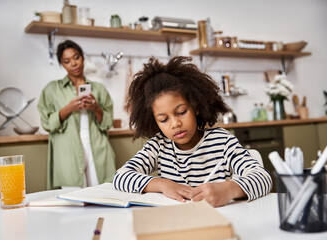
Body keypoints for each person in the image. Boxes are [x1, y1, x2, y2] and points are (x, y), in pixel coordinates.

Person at [113, 56, 272, 207]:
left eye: (181, 112)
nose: (175, 123)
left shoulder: (222, 142)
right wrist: (163, 184)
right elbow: (121, 176)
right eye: (163, 119)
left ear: (196, 106)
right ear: (154, 121)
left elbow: (264, 178)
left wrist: (229, 190)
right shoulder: (158, 146)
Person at [38, 40, 116, 189]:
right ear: (62, 64)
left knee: (103, 196)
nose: (73, 64)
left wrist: (96, 108)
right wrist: (68, 108)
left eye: (76, 57)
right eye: (67, 61)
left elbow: (107, 123)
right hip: (67, 152)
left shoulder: (99, 89)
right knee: (73, 202)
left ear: (83, 58)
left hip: (98, 149)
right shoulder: (51, 90)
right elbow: (47, 124)